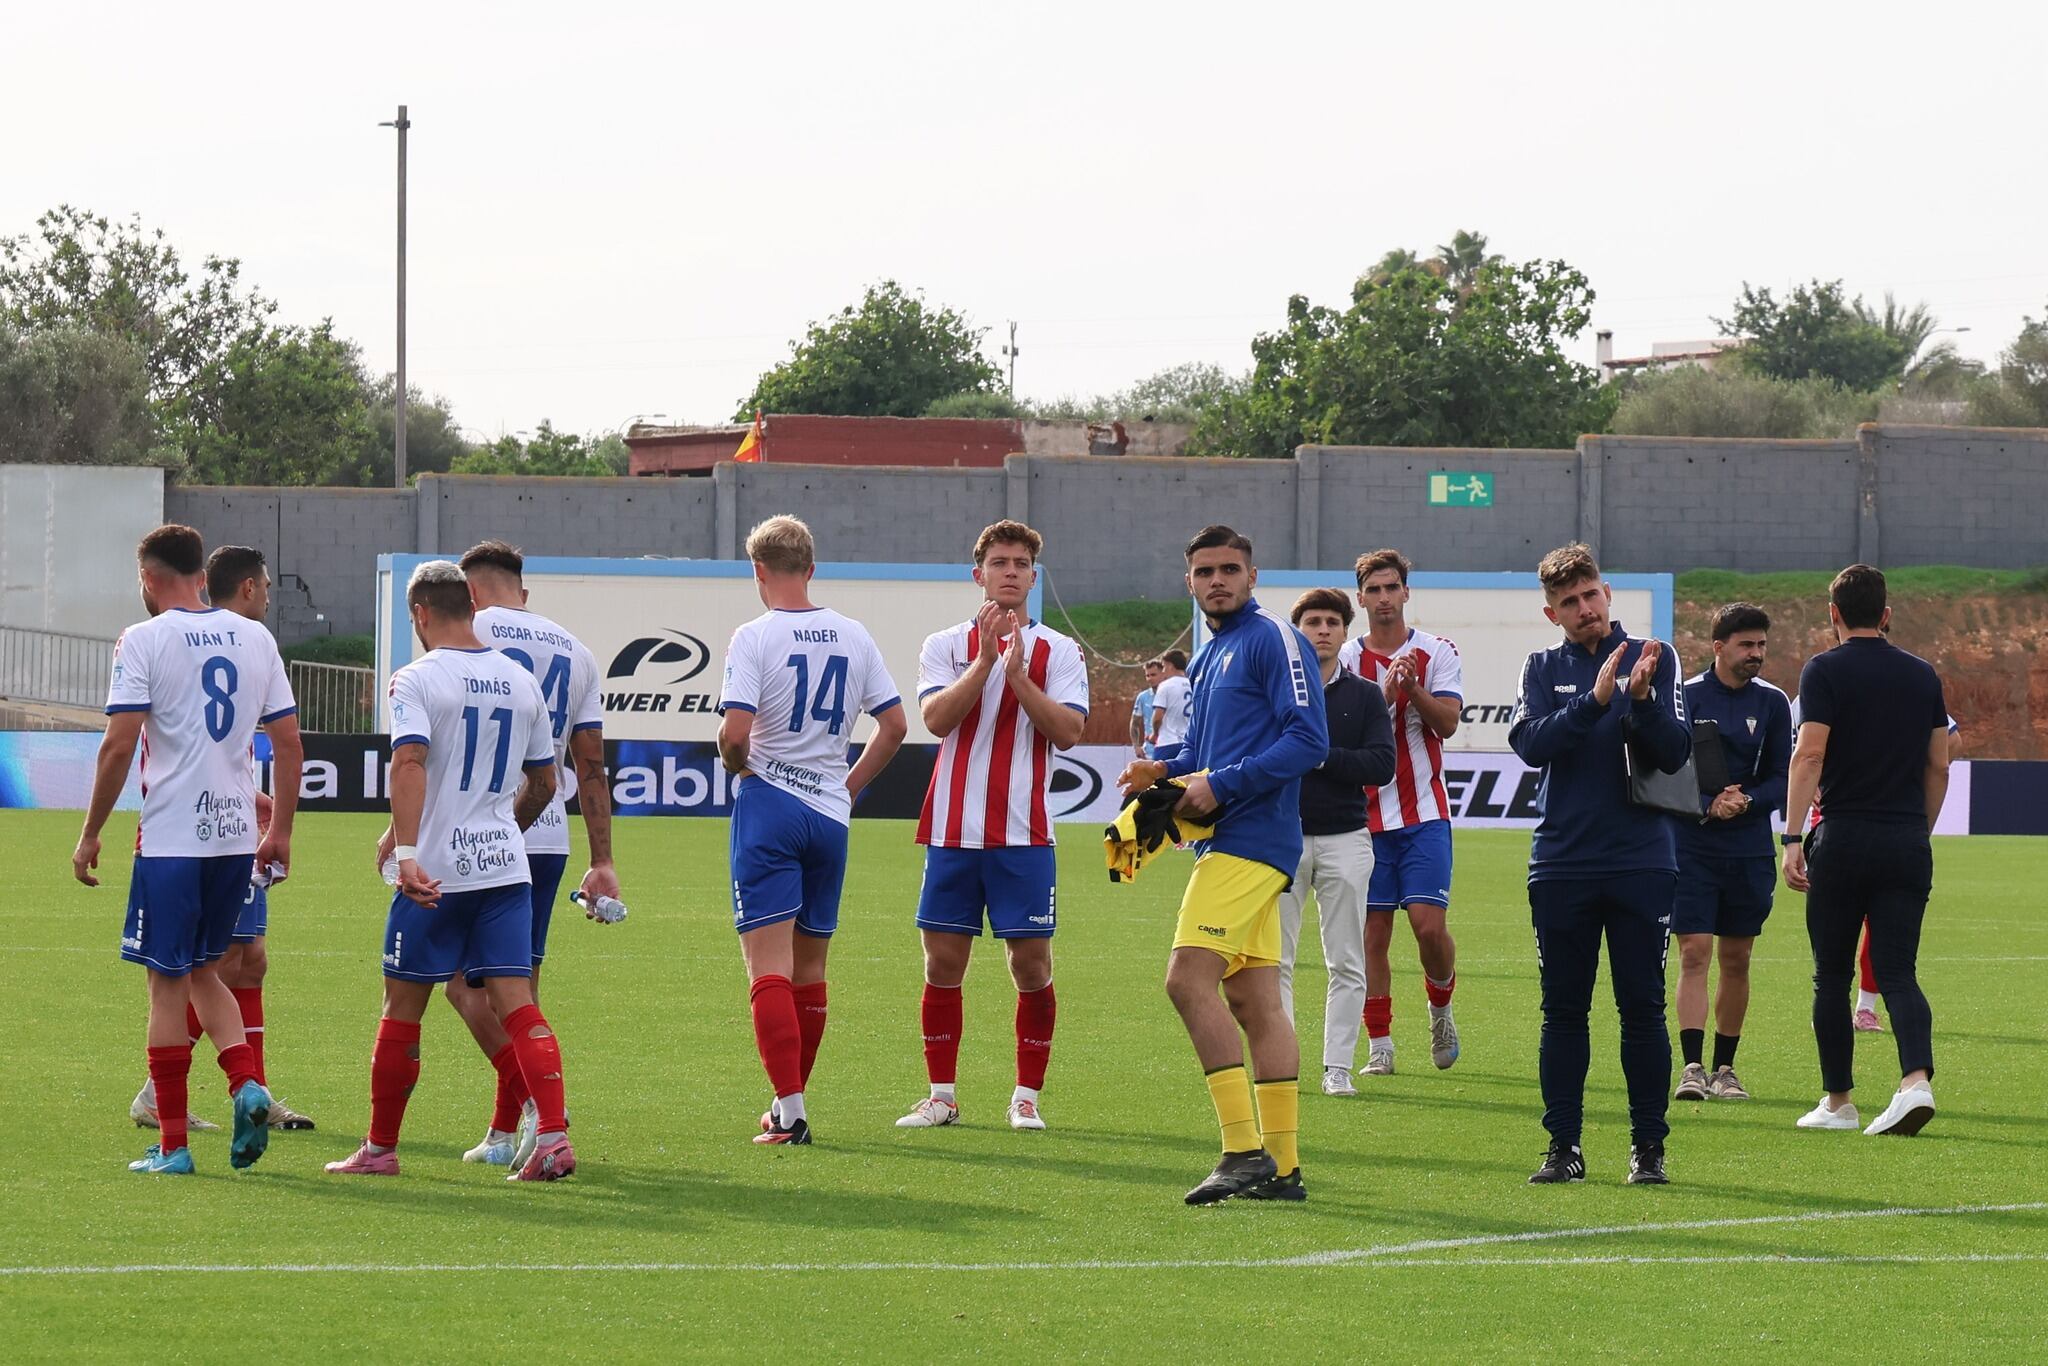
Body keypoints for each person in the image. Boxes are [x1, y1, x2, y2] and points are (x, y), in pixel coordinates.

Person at [325, 560, 575, 1181]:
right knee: (518, 1004)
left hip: (436, 876)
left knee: (401, 1006)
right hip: (504, 869)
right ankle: (554, 1138)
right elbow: (545, 781)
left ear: (419, 614)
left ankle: (380, 1149)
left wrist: (407, 852)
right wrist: (501, 835)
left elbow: (410, 762)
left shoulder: (416, 678)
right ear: (471, 601)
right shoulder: (521, 682)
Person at [75, 524, 301, 1175]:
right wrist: (279, 830)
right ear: (201, 574)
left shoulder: (142, 639)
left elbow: (119, 745)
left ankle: (172, 1144)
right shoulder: (255, 636)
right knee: (207, 968)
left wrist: (91, 833)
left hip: (172, 838)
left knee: (166, 984)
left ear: (147, 578)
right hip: (235, 838)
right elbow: (288, 745)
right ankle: (246, 1085)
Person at [1118, 525, 1327, 1205]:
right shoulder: (1209, 655)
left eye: (1229, 569)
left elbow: (1309, 740)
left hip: (1253, 839)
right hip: (1227, 838)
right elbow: (1205, 752)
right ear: (1190, 582)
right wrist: (1166, 769)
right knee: (1254, 1001)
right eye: (1205, 571)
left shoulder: (1273, 638)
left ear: (1253, 574)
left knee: (1186, 982)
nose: (1217, 580)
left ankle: (1242, 1150)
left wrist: (1222, 784)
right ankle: (1285, 1169)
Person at [719, 516, 907, 1145]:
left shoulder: (754, 635)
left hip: (771, 806)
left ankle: (791, 1112)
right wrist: (846, 789)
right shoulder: (854, 634)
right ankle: (789, 1102)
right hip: (830, 815)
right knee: (812, 966)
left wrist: (736, 766)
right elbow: (896, 727)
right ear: (813, 567)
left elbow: (736, 734)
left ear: (759, 571)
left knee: (766, 966)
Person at [1508, 542, 1689, 1186]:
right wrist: (1592, 701)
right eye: (1568, 603)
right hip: (1560, 863)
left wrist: (1638, 702)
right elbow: (1530, 744)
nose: (1584, 610)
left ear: (1607, 592)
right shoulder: (1540, 666)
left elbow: (1674, 753)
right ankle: (1563, 1148)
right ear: (1551, 612)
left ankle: (1649, 1149)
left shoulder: (1654, 658)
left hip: (1643, 862)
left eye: (1590, 596)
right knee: (1563, 1011)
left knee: (1642, 1009)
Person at [900, 520, 1088, 1132]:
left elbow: (1067, 731)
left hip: (1024, 835)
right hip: (954, 831)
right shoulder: (944, 644)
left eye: (1021, 563)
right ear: (976, 573)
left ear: (1034, 576)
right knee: (942, 963)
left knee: (1031, 965)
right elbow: (935, 718)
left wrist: (1019, 677)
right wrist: (983, 663)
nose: (1010, 571)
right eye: (999, 562)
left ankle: (1026, 1097)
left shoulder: (1058, 650)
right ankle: (941, 1096)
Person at [438, 539, 620, 1169]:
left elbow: (435, 744)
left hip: (477, 830)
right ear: (523, 590)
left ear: (466, 593)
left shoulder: (462, 631)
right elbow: (589, 766)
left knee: (461, 986)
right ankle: (502, 1132)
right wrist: (604, 861)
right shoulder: (575, 649)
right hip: (547, 838)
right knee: (521, 992)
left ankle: (543, 1115)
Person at [128, 545, 316, 1134]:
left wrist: (268, 810)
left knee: (243, 961)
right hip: (216, 834)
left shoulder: (235, 644)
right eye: (264, 584)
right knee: (215, 963)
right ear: (243, 588)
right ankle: (205, 1093)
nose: (268, 593)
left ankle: (244, 1090)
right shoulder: (234, 641)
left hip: (215, 828)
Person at [1783, 565, 1950, 1137]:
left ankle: (1839, 1101)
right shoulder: (1923, 675)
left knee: (1830, 974)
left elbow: (1809, 756)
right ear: (1886, 614)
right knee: (1899, 971)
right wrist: (1917, 831)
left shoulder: (1823, 670)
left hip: (1844, 836)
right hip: (1905, 838)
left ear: (1833, 615)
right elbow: (1939, 764)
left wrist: (1790, 837)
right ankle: (1915, 1082)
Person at [1339, 549, 1465, 1075]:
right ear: (1361, 598)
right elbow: (1346, 734)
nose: (1385, 598)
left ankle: (1441, 1010)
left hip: (1424, 815)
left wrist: (1411, 687)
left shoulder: (1437, 651)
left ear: (1406, 593)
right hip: (1363, 819)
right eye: (1375, 590)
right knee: (1372, 935)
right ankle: (1381, 1045)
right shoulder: (1348, 659)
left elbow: (1449, 724)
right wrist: (1385, 694)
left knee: (1428, 928)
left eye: (1393, 588)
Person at [1277, 589, 1396, 1097]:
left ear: (1346, 631)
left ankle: (1338, 1067)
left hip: (1347, 838)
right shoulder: (1276, 689)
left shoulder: (1366, 695)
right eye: (1311, 621)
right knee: (1274, 960)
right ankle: (1280, 1061)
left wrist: (1320, 755)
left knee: (1346, 960)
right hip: (1280, 837)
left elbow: (1381, 765)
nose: (1322, 630)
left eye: (1331, 622)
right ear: (1297, 630)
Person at [1673, 603, 1791, 1103]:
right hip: (1693, 845)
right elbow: (1665, 771)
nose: (1756, 654)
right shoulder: (1685, 697)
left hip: (1747, 850)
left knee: (1738, 958)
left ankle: (1726, 1069)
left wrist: (1746, 802)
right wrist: (1706, 805)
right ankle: (1692, 1068)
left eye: (1761, 645)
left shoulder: (1774, 703)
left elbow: (1784, 776)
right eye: (1746, 645)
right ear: (1718, 647)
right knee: (1694, 952)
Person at [1788, 693, 1959, 1033]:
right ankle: (1834, 1006)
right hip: (1836, 820)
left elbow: (1951, 741)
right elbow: (1794, 750)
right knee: (1842, 922)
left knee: (1871, 921)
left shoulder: (1897, 681)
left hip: (1870, 822)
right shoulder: (1816, 689)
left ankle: (1863, 1006)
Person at [1150, 650, 1191, 762]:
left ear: (1170, 665)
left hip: (1167, 743)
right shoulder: (1193, 684)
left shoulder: (1166, 686)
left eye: (1163, 666)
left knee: (1160, 779)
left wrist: (1154, 734)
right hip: (1189, 744)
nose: (1163, 671)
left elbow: (1157, 717)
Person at [1131, 658, 1164, 758]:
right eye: (1147, 675)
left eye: (1153, 675)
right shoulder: (1143, 697)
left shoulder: (1172, 694)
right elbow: (1134, 723)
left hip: (1169, 748)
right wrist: (1136, 746)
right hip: (1149, 752)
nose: (1150, 678)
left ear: (1163, 674)